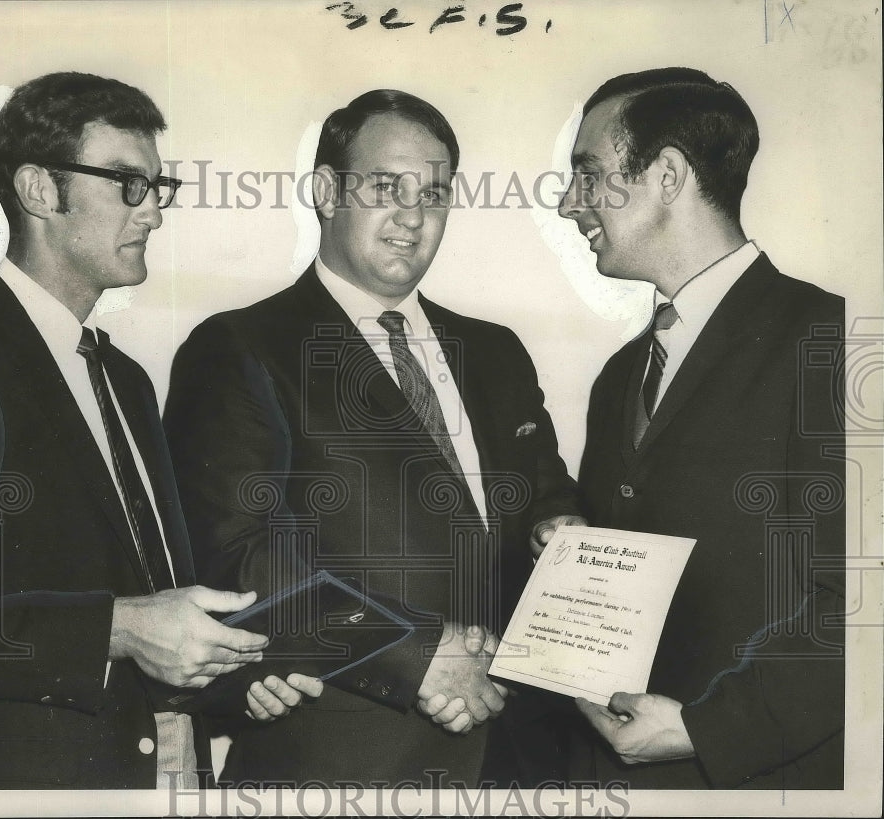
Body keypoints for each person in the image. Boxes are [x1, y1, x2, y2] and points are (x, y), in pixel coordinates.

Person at [0, 72, 321, 790]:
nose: (153, 215)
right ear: (39, 190)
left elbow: (153, 599)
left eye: (159, 189)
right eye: (129, 184)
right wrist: (122, 629)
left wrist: (226, 677)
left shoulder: (125, 378)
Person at [164, 89, 582, 787]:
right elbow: (242, 557)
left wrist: (557, 524)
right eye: (386, 187)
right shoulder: (241, 346)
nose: (412, 218)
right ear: (326, 191)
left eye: (435, 193)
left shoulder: (497, 350)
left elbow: (542, 492)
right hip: (342, 766)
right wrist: (415, 653)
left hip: (517, 762)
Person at [540, 67, 845, 788]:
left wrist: (706, 730)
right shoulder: (622, 374)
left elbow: (862, 604)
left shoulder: (836, 343)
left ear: (668, 175)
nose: (566, 202)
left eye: (587, 174)